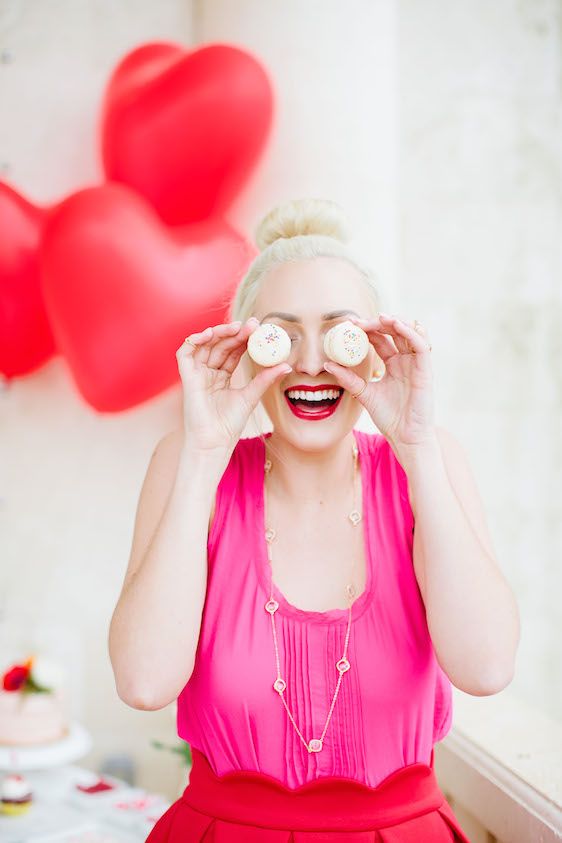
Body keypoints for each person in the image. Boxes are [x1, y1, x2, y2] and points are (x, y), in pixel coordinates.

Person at [108, 198, 519, 841]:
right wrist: (203, 453)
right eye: (281, 334)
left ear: (374, 349)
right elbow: (143, 681)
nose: (308, 363)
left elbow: (488, 667)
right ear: (246, 351)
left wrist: (417, 451)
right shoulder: (190, 468)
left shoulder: (430, 465)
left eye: (336, 332)